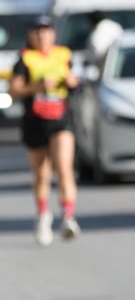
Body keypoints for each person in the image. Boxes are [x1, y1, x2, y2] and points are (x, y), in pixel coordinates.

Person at [9, 14, 81, 246]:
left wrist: (72, 82)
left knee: (64, 168)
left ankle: (68, 216)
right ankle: (43, 215)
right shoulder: (25, 58)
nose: (42, 35)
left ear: (53, 34)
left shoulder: (63, 55)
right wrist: (38, 86)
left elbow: (75, 81)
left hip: (61, 119)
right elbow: (14, 90)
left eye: (46, 30)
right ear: (32, 34)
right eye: (37, 31)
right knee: (42, 173)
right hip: (35, 120)